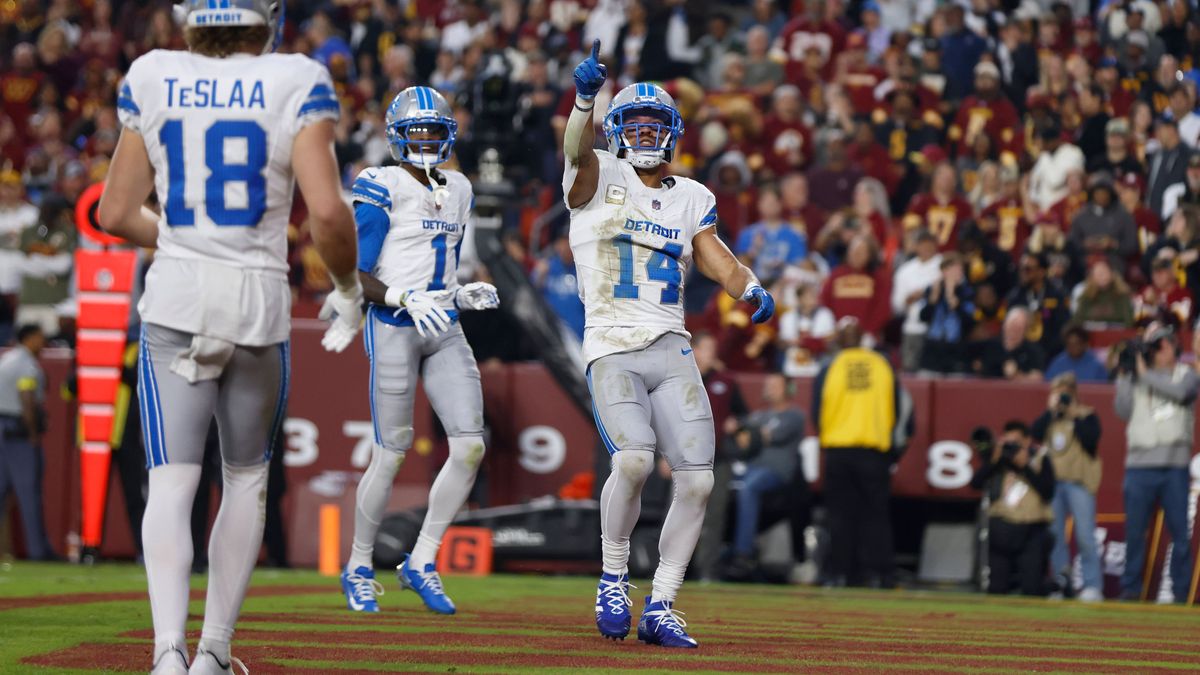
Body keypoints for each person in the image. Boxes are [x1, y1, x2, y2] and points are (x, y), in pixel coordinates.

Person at [97, 2, 364, 672]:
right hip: (256, 303)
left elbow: (115, 211)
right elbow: (328, 212)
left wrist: (184, 241)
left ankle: (167, 652)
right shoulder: (295, 77)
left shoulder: (153, 73)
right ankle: (213, 652)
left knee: (170, 481)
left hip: (176, 298)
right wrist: (347, 287)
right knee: (245, 479)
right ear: (267, 15)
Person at [565, 41, 775, 649]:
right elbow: (575, 150)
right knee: (633, 460)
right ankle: (612, 578)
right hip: (612, 343)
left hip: (671, 345)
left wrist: (748, 286)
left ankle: (661, 604)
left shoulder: (692, 196)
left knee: (700, 480)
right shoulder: (597, 172)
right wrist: (583, 101)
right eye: (634, 123)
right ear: (616, 131)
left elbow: (715, 257)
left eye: (655, 124)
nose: (645, 133)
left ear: (674, 133)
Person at [339, 86, 499, 616]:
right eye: (418, 131)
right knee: (391, 453)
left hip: (444, 326)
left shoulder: (460, 188)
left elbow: (440, 267)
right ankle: (358, 566)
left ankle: (422, 561)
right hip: (394, 324)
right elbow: (355, 275)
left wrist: (460, 294)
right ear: (397, 136)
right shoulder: (380, 184)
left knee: (470, 446)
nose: (427, 140)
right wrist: (403, 297)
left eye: (435, 131)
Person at [812, 318, 904, 588]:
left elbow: (817, 411)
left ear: (840, 340)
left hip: (839, 448)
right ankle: (879, 574)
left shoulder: (829, 366)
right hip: (873, 449)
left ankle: (842, 574)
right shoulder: (882, 365)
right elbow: (897, 408)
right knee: (876, 515)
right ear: (863, 338)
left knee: (840, 515)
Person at [1113, 324, 1197, 603]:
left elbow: (1180, 394)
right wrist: (1125, 374)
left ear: (1175, 346)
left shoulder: (1186, 375)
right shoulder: (1137, 377)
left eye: (1164, 344)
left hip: (1174, 465)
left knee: (1179, 533)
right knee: (1135, 531)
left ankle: (1180, 591)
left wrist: (1143, 374)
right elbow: (1122, 410)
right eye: (1155, 346)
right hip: (1139, 465)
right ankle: (1131, 587)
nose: (1160, 351)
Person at [1031, 373, 1104, 602]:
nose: (1061, 398)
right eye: (1057, 393)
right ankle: (1060, 583)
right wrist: (1050, 412)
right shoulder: (1051, 419)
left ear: (1074, 394)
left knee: (1085, 535)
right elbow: (1035, 433)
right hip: (1054, 484)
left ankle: (1092, 585)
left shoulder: (1087, 415)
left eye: (1065, 394)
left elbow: (1091, 440)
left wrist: (1074, 413)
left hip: (1079, 483)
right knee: (1055, 537)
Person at [727, 374, 806, 574]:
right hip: (750, 470)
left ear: (788, 389)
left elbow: (765, 436)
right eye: (768, 385)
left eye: (774, 385)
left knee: (748, 487)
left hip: (776, 473)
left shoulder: (794, 416)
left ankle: (743, 553)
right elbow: (741, 435)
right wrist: (743, 430)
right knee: (716, 486)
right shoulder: (759, 415)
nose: (769, 389)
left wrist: (747, 432)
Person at [688, 332, 749, 583]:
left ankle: (707, 571)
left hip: (719, 458)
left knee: (714, 516)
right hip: (686, 460)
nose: (711, 353)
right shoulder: (681, 379)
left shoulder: (726, 381)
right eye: (706, 347)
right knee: (681, 515)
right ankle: (674, 570)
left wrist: (737, 424)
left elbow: (744, 415)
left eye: (713, 347)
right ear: (694, 350)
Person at [971, 421, 1056, 596]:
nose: (1012, 447)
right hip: (1001, 528)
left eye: (1016, 442)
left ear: (1027, 440)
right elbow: (975, 483)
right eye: (1008, 442)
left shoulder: (1040, 458)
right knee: (996, 589)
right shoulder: (999, 460)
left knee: (1032, 589)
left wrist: (1025, 467)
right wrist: (995, 460)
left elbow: (1048, 492)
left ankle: (1057, 585)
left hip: (1031, 530)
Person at [0, 324, 52, 561]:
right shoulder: (25, 365)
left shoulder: (8, 358)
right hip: (18, 431)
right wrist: (32, 433)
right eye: (39, 337)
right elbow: (27, 398)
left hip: (4, 428)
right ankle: (37, 550)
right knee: (28, 492)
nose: (43, 342)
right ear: (28, 338)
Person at [976, 307, 1046, 380]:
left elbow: (1037, 379)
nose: (1013, 332)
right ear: (1004, 325)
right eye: (1011, 326)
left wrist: (1017, 375)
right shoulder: (991, 346)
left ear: (1025, 330)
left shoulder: (1034, 351)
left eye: (1018, 328)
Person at [1045, 327, 1109, 383]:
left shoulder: (1097, 366)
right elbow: (1047, 384)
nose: (1073, 347)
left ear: (1085, 344)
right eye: (1070, 344)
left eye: (1077, 343)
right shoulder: (1057, 363)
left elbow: (1103, 388)